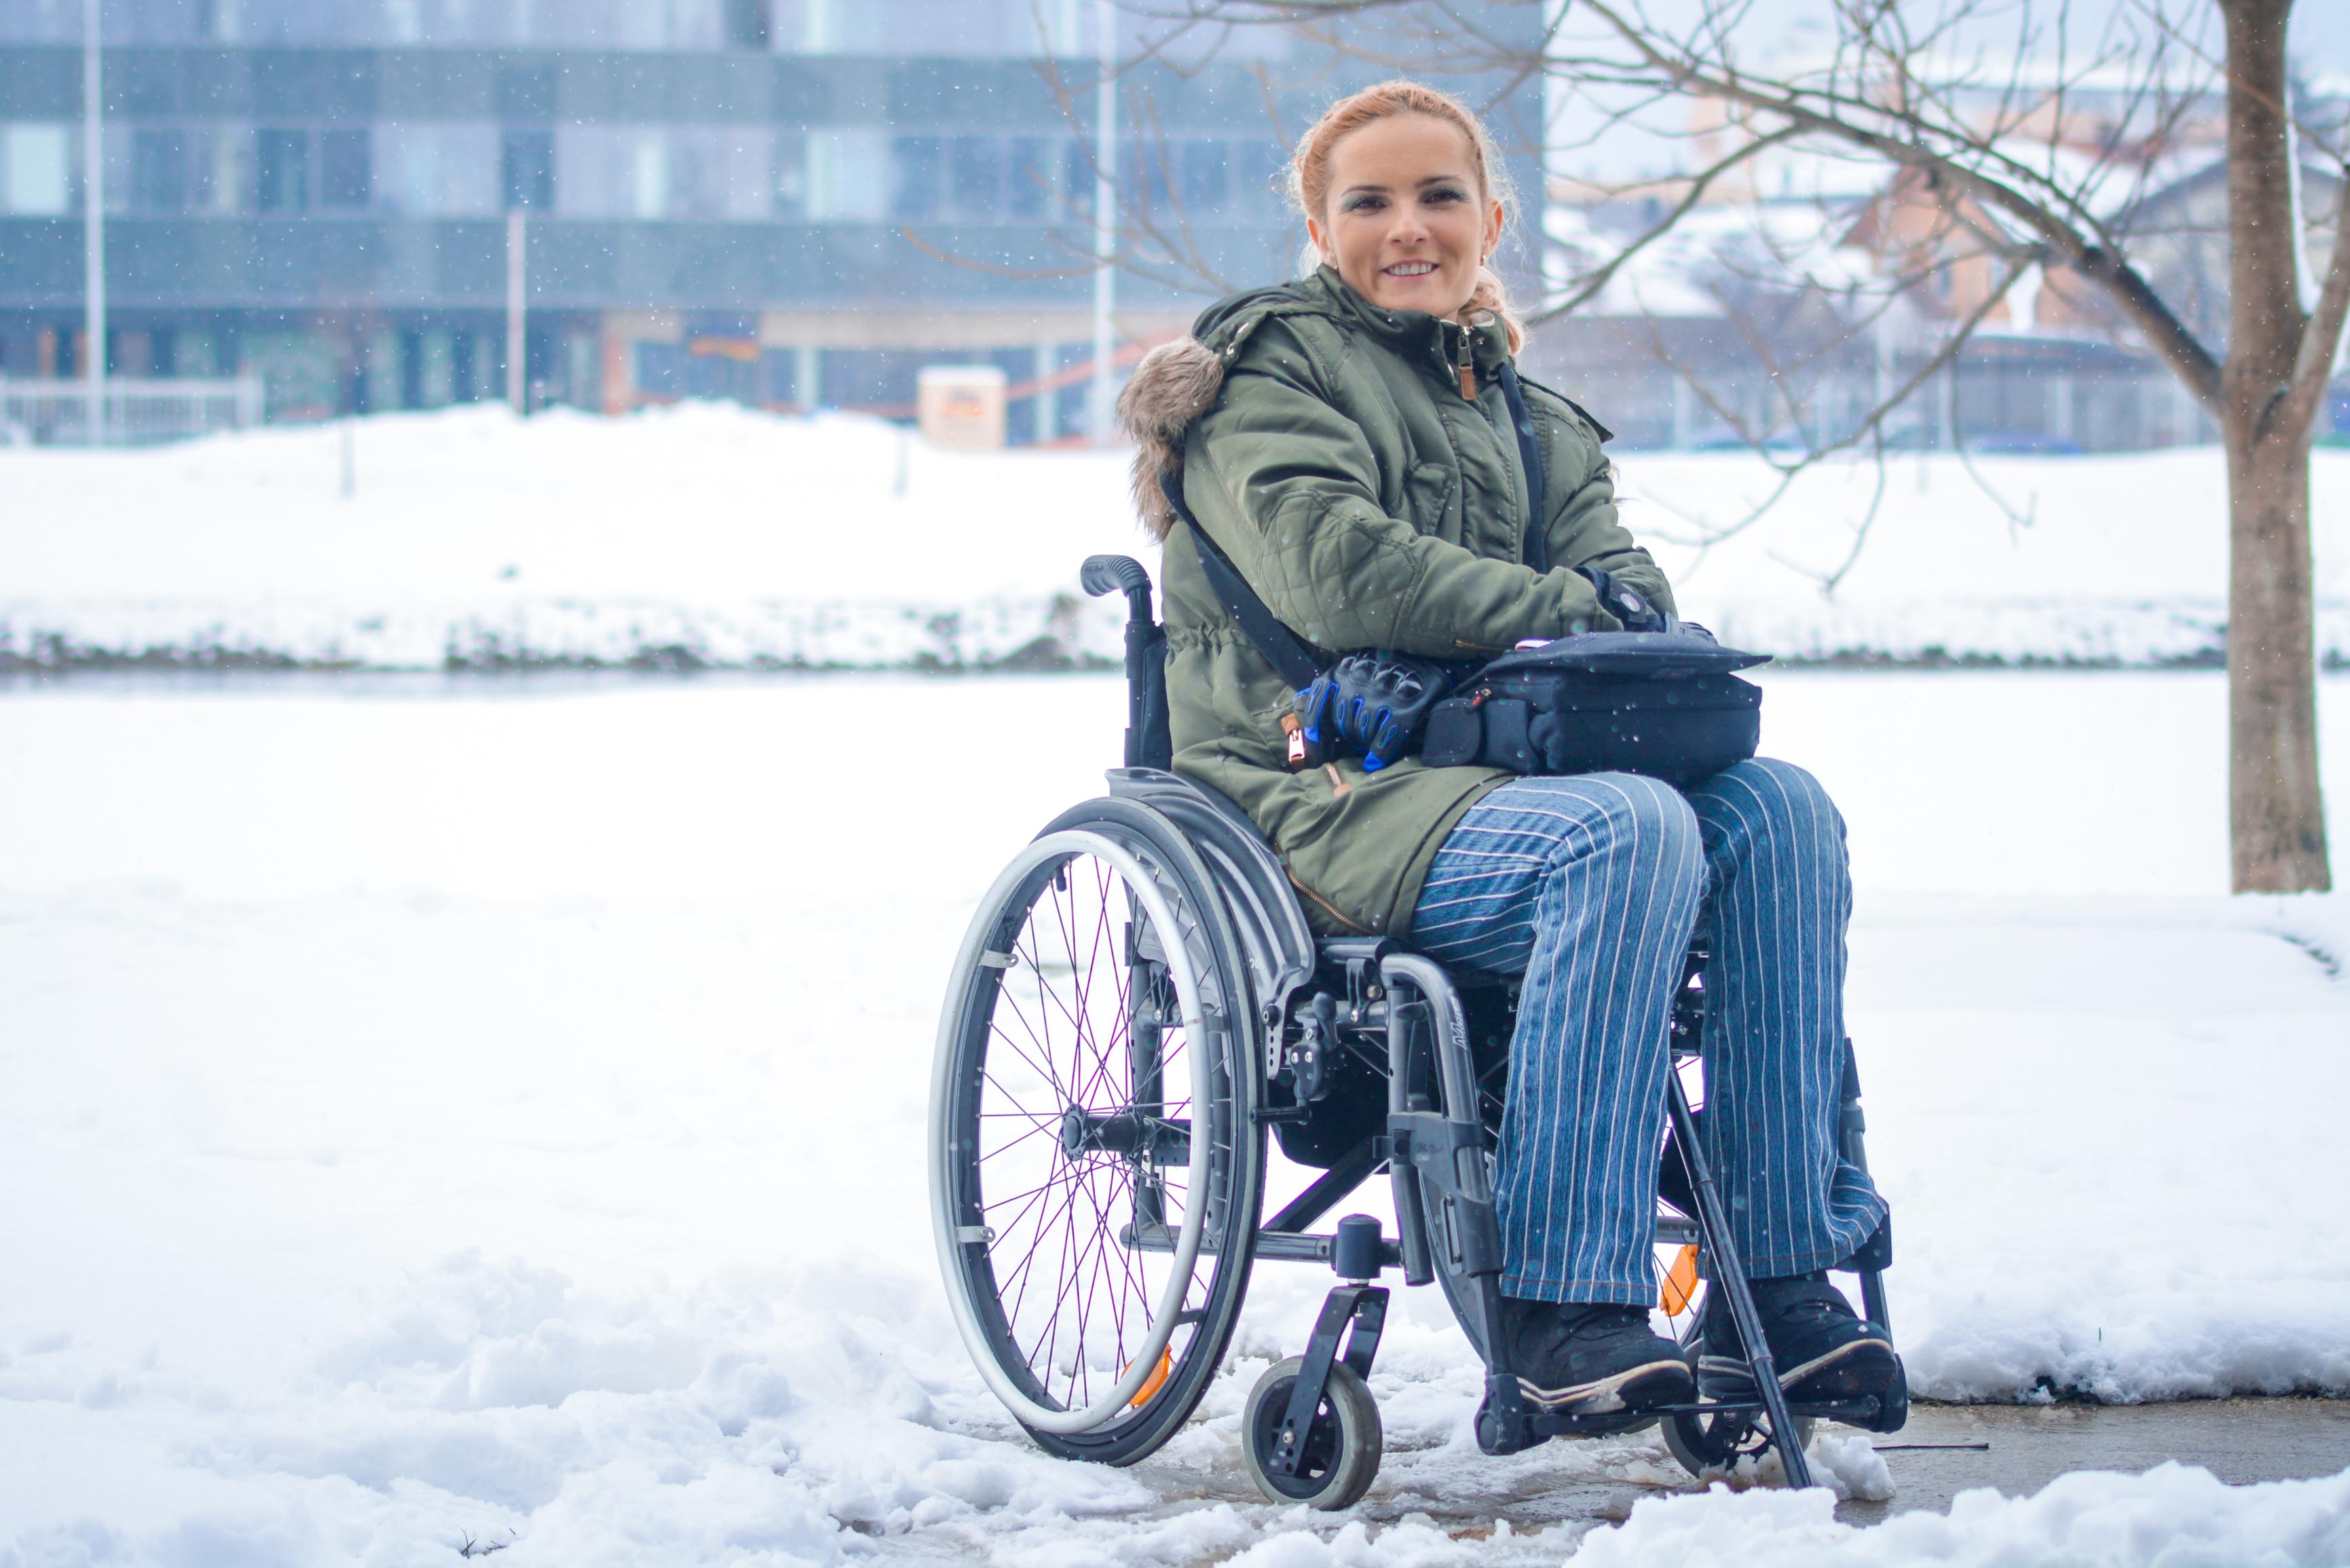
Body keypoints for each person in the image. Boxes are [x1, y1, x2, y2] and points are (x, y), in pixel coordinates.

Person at [1117, 80, 1899, 1419]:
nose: (1408, 228)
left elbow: (1623, 577)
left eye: (1440, 197)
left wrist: (1609, 612)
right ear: (1319, 222)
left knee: (1781, 812)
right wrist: (1567, 613)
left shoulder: (1531, 412)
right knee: (1626, 832)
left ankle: (1774, 1283)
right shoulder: (1268, 373)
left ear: (1491, 217)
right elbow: (1338, 572)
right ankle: (1560, 1305)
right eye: (1370, 202)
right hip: (1313, 794)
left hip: (1502, 778)